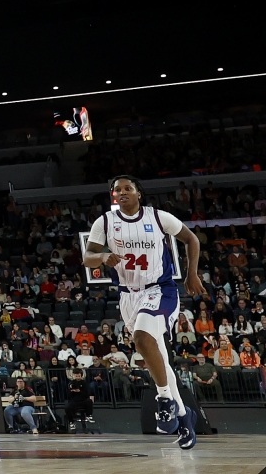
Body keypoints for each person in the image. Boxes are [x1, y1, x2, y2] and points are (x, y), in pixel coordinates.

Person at [84, 176, 204, 450]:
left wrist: (192, 273)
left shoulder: (158, 217)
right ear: (113, 196)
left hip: (160, 289)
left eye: (128, 188)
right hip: (128, 296)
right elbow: (87, 258)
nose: (122, 192)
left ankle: (165, 400)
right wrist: (102, 257)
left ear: (139, 192)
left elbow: (191, 239)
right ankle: (184, 418)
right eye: (117, 189)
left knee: (142, 338)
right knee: (158, 358)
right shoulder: (104, 222)